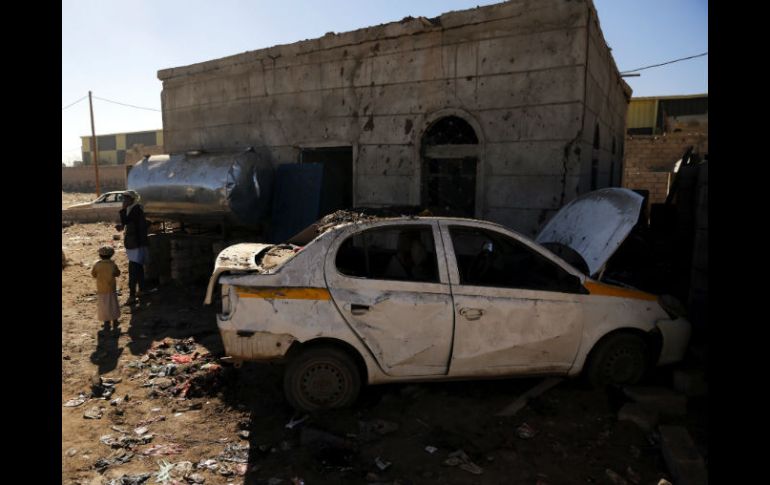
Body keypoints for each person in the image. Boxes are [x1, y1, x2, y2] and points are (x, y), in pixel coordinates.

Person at [115, 190, 149, 305]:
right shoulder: (134, 209)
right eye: (124, 198)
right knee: (138, 267)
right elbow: (129, 223)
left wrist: (123, 209)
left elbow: (127, 220)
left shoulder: (135, 209)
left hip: (135, 244)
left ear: (132, 199)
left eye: (127, 199)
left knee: (133, 269)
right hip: (135, 243)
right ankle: (142, 290)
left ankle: (132, 295)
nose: (124, 201)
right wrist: (122, 226)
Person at [91, 246, 121, 332]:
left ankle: (106, 322)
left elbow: (93, 274)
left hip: (101, 288)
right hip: (111, 288)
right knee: (113, 304)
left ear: (100, 255)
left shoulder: (97, 265)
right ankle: (115, 321)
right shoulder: (112, 264)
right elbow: (117, 273)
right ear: (111, 255)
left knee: (103, 305)